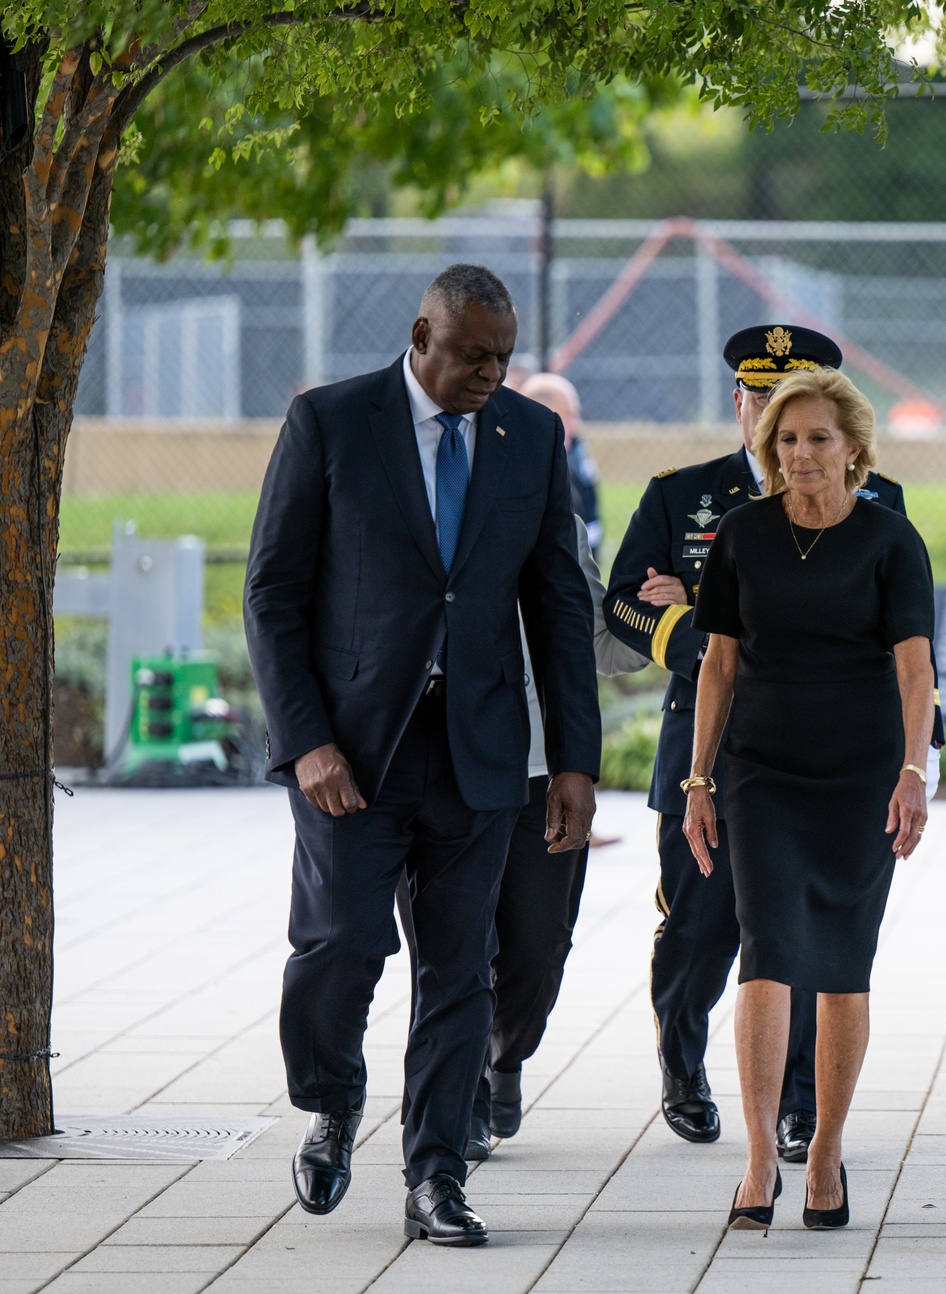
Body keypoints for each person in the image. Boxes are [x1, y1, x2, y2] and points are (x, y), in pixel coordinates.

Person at [243, 263, 602, 1247]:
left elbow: (560, 604)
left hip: (479, 751)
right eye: (474, 355)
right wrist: (306, 740)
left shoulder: (531, 435)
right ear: (420, 336)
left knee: (462, 970)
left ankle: (436, 1173)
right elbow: (271, 593)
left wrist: (574, 759)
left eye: (504, 357)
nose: (491, 373)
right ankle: (331, 1099)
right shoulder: (330, 421)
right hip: (352, 755)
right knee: (339, 949)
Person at [603, 325, 943, 1159]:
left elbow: (893, 632)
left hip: (828, 743)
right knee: (700, 920)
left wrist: (909, 759)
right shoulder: (686, 495)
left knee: (800, 930)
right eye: (761, 402)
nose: (777, 426)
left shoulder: (881, 503)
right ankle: (683, 1062)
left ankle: (799, 1105)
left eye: (797, 409)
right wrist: (705, 629)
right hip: (712, 741)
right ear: (741, 405)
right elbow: (621, 604)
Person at [682, 366, 934, 1230]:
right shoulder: (744, 536)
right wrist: (697, 780)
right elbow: (718, 662)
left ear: (853, 448)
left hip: (860, 779)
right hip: (762, 773)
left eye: (818, 439)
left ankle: (823, 1153)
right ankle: (760, 1162)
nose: (800, 455)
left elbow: (914, 668)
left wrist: (912, 773)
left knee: (840, 963)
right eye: (786, 440)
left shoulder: (891, 540)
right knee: (767, 948)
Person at [396, 511, 647, 1161]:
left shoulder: (554, 522)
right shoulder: (405, 502)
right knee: (451, 946)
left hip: (541, 771)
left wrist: (660, 609)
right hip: (436, 769)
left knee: (538, 948)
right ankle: (462, 1091)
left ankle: (505, 1053)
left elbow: (602, 644)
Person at [522, 373, 603, 556]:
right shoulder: (533, 478)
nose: (576, 426)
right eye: (570, 416)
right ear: (543, 420)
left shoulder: (572, 462)